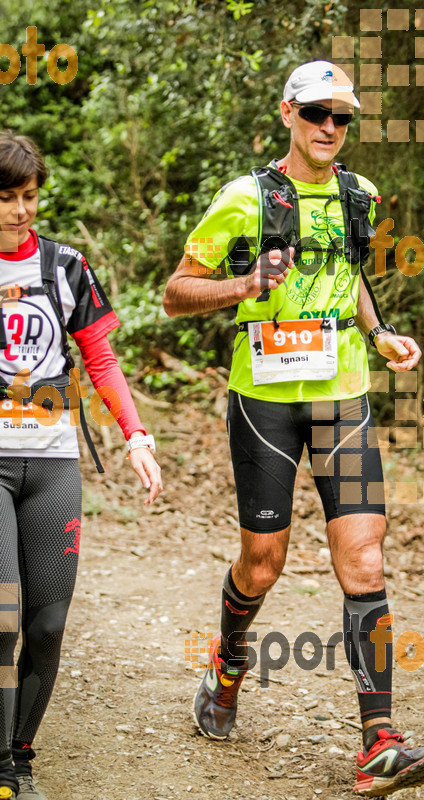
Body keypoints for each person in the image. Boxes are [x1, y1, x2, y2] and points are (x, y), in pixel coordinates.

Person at [163, 61, 424, 797]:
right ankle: (227, 666)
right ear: (288, 112)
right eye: (317, 112)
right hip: (265, 401)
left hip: (341, 399)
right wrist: (243, 284)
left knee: (364, 561)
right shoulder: (243, 198)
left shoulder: (359, 195)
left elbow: (348, 273)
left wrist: (379, 333)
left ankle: (378, 741)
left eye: (342, 117)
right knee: (261, 563)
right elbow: (175, 293)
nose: (329, 127)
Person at [0, 131, 163, 799]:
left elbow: (100, 359)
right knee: (3, 614)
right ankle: (2, 771)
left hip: (52, 460)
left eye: (29, 196)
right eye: (7, 198)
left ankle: (20, 754)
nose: (20, 210)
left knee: (46, 622)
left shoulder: (67, 267)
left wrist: (136, 435)